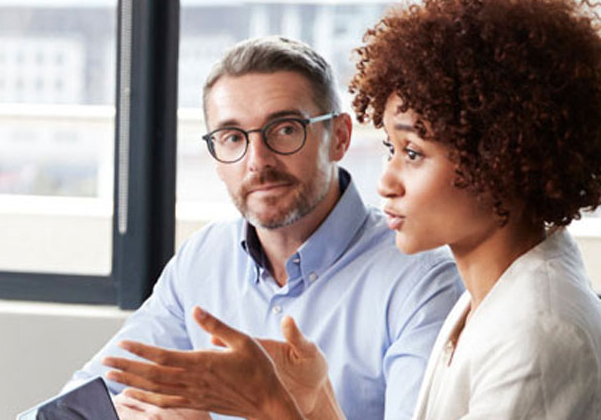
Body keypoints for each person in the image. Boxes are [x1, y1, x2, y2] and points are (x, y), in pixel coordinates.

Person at [101, 0, 601, 419]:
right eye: (393, 150)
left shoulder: (537, 333)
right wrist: (316, 402)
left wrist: (271, 407)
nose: (387, 181)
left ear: (503, 159)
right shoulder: (488, 303)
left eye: (414, 154)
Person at [65, 36, 462, 419]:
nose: (257, 161)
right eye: (233, 137)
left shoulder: (422, 279)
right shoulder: (203, 258)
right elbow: (81, 401)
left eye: (285, 129)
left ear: (338, 137)